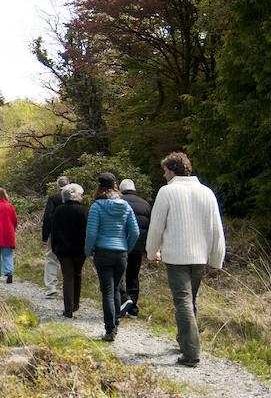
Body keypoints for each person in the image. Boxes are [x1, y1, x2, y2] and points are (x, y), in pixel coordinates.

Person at [146, 152, 225, 368]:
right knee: (190, 300)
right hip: (200, 256)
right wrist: (216, 258)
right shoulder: (206, 192)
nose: (163, 175)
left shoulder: (167, 192)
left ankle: (191, 352)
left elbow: (156, 226)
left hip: (176, 256)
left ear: (172, 170)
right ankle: (185, 341)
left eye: (164, 171)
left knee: (182, 301)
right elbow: (217, 228)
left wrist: (152, 252)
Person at [83, 173, 139, 342]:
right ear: (115, 186)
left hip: (103, 251)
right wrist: (126, 248)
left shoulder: (97, 207)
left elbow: (91, 232)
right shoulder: (125, 206)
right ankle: (115, 323)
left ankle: (110, 329)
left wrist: (87, 251)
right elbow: (135, 231)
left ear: (99, 187)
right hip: (121, 252)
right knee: (115, 289)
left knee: (107, 290)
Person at [50, 183, 87, 318]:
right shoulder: (82, 211)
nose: (81, 197)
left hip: (62, 250)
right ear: (75, 195)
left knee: (67, 277)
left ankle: (68, 308)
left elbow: (54, 231)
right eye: (80, 194)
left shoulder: (58, 210)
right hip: (79, 250)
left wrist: (55, 247)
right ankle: (75, 303)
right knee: (77, 275)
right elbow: (85, 231)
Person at [119, 179, 152, 318]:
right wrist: (147, 248)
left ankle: (123, 300)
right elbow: (150, 227)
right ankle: (133, 307)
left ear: (121, 189)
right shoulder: (145, 204)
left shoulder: (118, 202)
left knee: (117, 275)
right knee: (133, 275)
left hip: (120, 245)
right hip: (138, 246)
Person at [41, 175, 70, 298]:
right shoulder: (75, 197)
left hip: (55, 233)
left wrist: (45, 235)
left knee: (51, 258)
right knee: (67, 259)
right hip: (70, 233)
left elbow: (47, 217)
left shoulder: (53, 198)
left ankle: (51, 287)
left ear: (58, 185)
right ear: (68, 184)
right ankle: (68, 286)